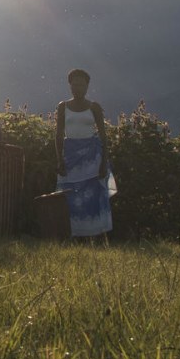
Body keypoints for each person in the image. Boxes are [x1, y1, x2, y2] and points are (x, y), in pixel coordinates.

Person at [54, 68, 114, 241]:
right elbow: (58, 135)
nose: (77, 88)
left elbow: (103, 136)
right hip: (70, 154)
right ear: (70, 86)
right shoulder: (63, 107)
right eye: (74, 84)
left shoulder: (94, 107)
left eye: (81, 84)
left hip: (92, 156)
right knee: (71, 194)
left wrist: (104, 162)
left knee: (93, 195)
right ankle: (74, 236)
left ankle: (96, 237)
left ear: (87, 86)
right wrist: (59, 160)